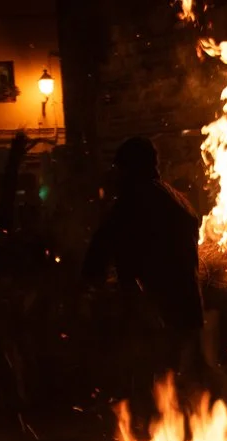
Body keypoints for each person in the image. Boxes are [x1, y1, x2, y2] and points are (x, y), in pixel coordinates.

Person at [82, 136, 207, 399]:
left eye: (120, 169)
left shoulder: (135, 198)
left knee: (152, 388)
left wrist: (90, 283)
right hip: (186, 311)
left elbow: (103, 244)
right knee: (177, 388)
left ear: (130, 169)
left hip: (154, 312)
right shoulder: (178, 200)